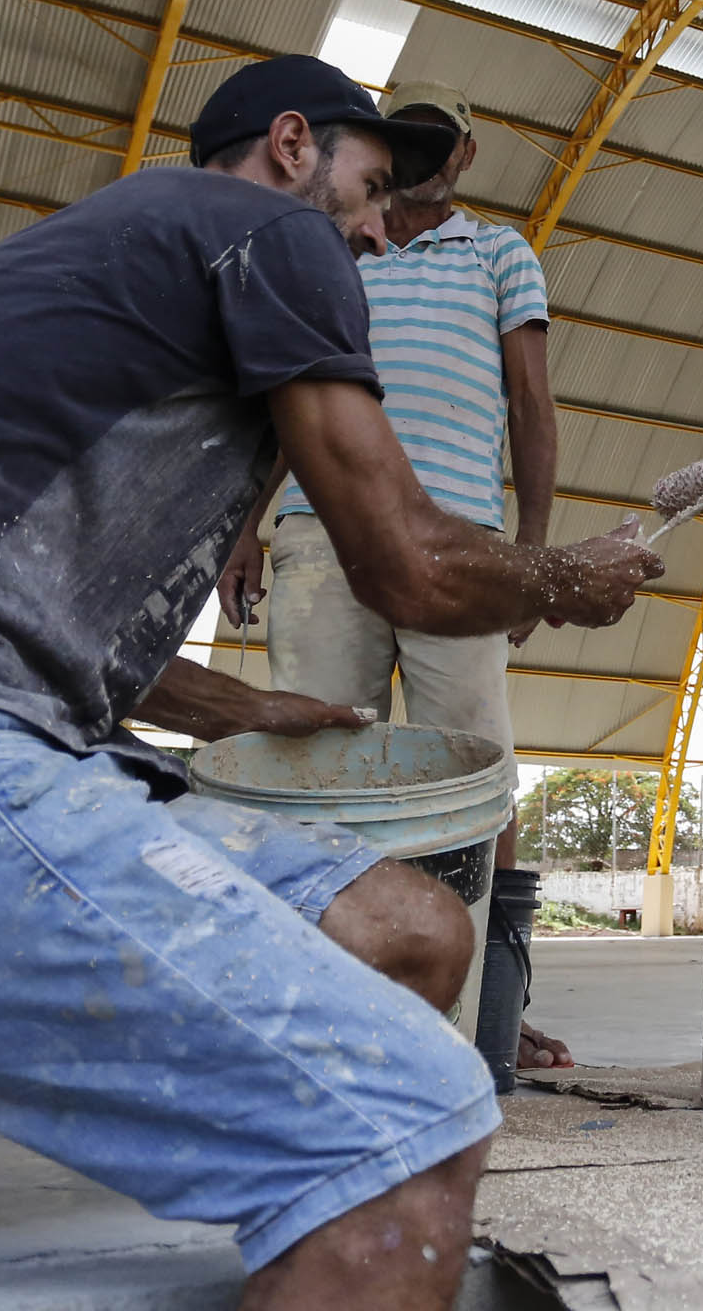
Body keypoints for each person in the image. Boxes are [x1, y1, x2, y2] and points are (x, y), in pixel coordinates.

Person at [0, 56, 665, 1311]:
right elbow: (407, 564)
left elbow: (6, 611)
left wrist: (247, 706)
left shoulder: (90, 260)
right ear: (293, 145)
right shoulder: (275, 233)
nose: (381, 229)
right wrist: (570, 575)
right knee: (411, 1123)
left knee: (413, 928)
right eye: (375, 185)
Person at [217, 81, 570, 1080]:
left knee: (479, 772)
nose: (417, 157)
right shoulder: (340, 249)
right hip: (319, 531)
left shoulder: (499, 253)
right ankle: (319, 1010)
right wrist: (245, 529)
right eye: (398, 140)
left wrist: (532, 556)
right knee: (316, 760)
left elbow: (531, 405)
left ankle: (491, 1011)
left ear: (465, 153)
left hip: (459, 544)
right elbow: (292, 398)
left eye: (435, 141)